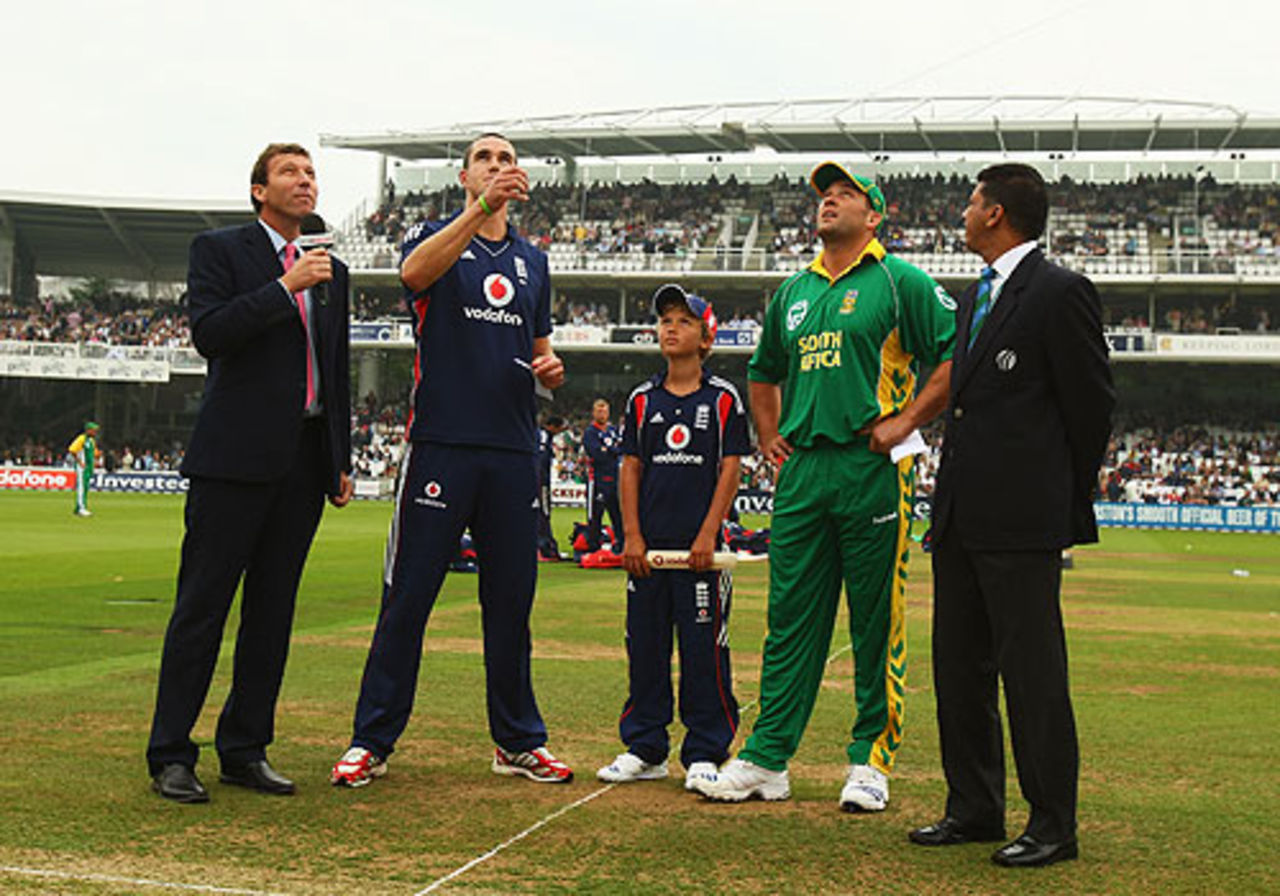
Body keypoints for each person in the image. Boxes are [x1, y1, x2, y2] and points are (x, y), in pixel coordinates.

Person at [701, 162, 955, 811]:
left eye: (845, 195)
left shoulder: (900, 282)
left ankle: (871, 760)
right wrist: (767, 435)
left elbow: (955, 356)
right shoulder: (794, 291)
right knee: (789, 619)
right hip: (804, 470)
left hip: (872, 463)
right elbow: (763, 372)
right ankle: (767, 758)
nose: (830, 202)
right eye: (824, 195)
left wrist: (906, 421)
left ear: (874, 217)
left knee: (875, 619)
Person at [331, 133, 571, 788]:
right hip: (441, 442)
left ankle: (517, 741)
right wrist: (478, 210)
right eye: (486, 159)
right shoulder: (435, 237)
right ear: (466, 176)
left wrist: (551, 369)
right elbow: (411, 277)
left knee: (510, 605)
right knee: (407, 599)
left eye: (507, 159)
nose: (499, 166)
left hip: (513, 450)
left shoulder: (534, 262)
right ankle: (371, 740)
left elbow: (542, 358)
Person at [909, 164, 1114, 867]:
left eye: (970, 202)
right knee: (959, 668)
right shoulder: (976, 297)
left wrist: (1054, 496)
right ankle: (974, 806)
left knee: (1032, 674)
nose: (963, 213)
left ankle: (1053, 823)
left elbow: (1092, 407)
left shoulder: (1059, 292)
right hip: (962, 513)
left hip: (1023, 519)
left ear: (996, 213)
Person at [146, 143, 353, 803]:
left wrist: (339, 457)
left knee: (272, 614)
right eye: (290, 172)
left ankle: (245, 747)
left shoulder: (330, 269)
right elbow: (211, 334)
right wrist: (283, 288)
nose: (305, 181)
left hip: (303, 459)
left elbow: (335, 367)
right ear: (259, 189)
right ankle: (171, 753)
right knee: (202, 609)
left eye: (311, 172)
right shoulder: (221, 250)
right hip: (233, 461)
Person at [597, 285, 748, 794]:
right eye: (664, 320)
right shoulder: (643, 400)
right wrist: (631, 535)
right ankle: (646, 747)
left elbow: (730, 469)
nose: (670, 328)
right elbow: (631, 468)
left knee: (704, 651)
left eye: (683, 321)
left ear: (706, 336)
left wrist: (708, 533)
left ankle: (706, 750)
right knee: (645, 647)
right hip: (649, 552)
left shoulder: (723, 398)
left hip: (700, 553)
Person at [583, 398, 624, 554]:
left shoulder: (613, 430)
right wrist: (611, 450)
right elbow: (597, 454)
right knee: (595, 514)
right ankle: (593, 547)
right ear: (593, 413)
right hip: (598, 480)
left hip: (615, 478)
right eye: (599, 411)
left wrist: (609, 450)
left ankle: (621, 545)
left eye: (605, 411)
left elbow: (621, 449)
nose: (602, 414)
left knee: (618, 514)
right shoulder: (590, 432)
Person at [537, 414, 567, 560]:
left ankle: (542, 546)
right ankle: (544, 547)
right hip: (540, 482)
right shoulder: (544, 436)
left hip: (537, 480)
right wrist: (542, 479)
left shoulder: (541, 435)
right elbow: (541, 457)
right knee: (544, 513)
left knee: (539, 513)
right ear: (552, 426)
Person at [68, 421, 100, 517]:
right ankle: (81, 508)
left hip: (88, 467)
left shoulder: (91, 441)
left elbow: (94, 453)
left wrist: (97, 457)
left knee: (85, 487)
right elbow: (72, 450)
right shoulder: (81, 439)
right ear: (88, 430)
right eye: (94, 430)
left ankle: (79, 508)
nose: (95, 432)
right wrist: (79, 462)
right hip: (82, 467)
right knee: (81, 488)